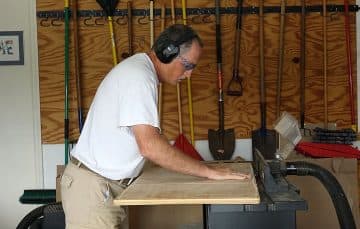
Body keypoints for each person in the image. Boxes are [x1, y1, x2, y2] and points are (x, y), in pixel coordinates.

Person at [61, 24, 250, 229]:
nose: (189, 75)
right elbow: (149, 146)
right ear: (168, 53)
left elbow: (149, 141)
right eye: (188, 65)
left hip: (103, 189)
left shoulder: (140, 72)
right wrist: (209, 172)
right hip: (94, 191)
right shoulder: (139, 78)